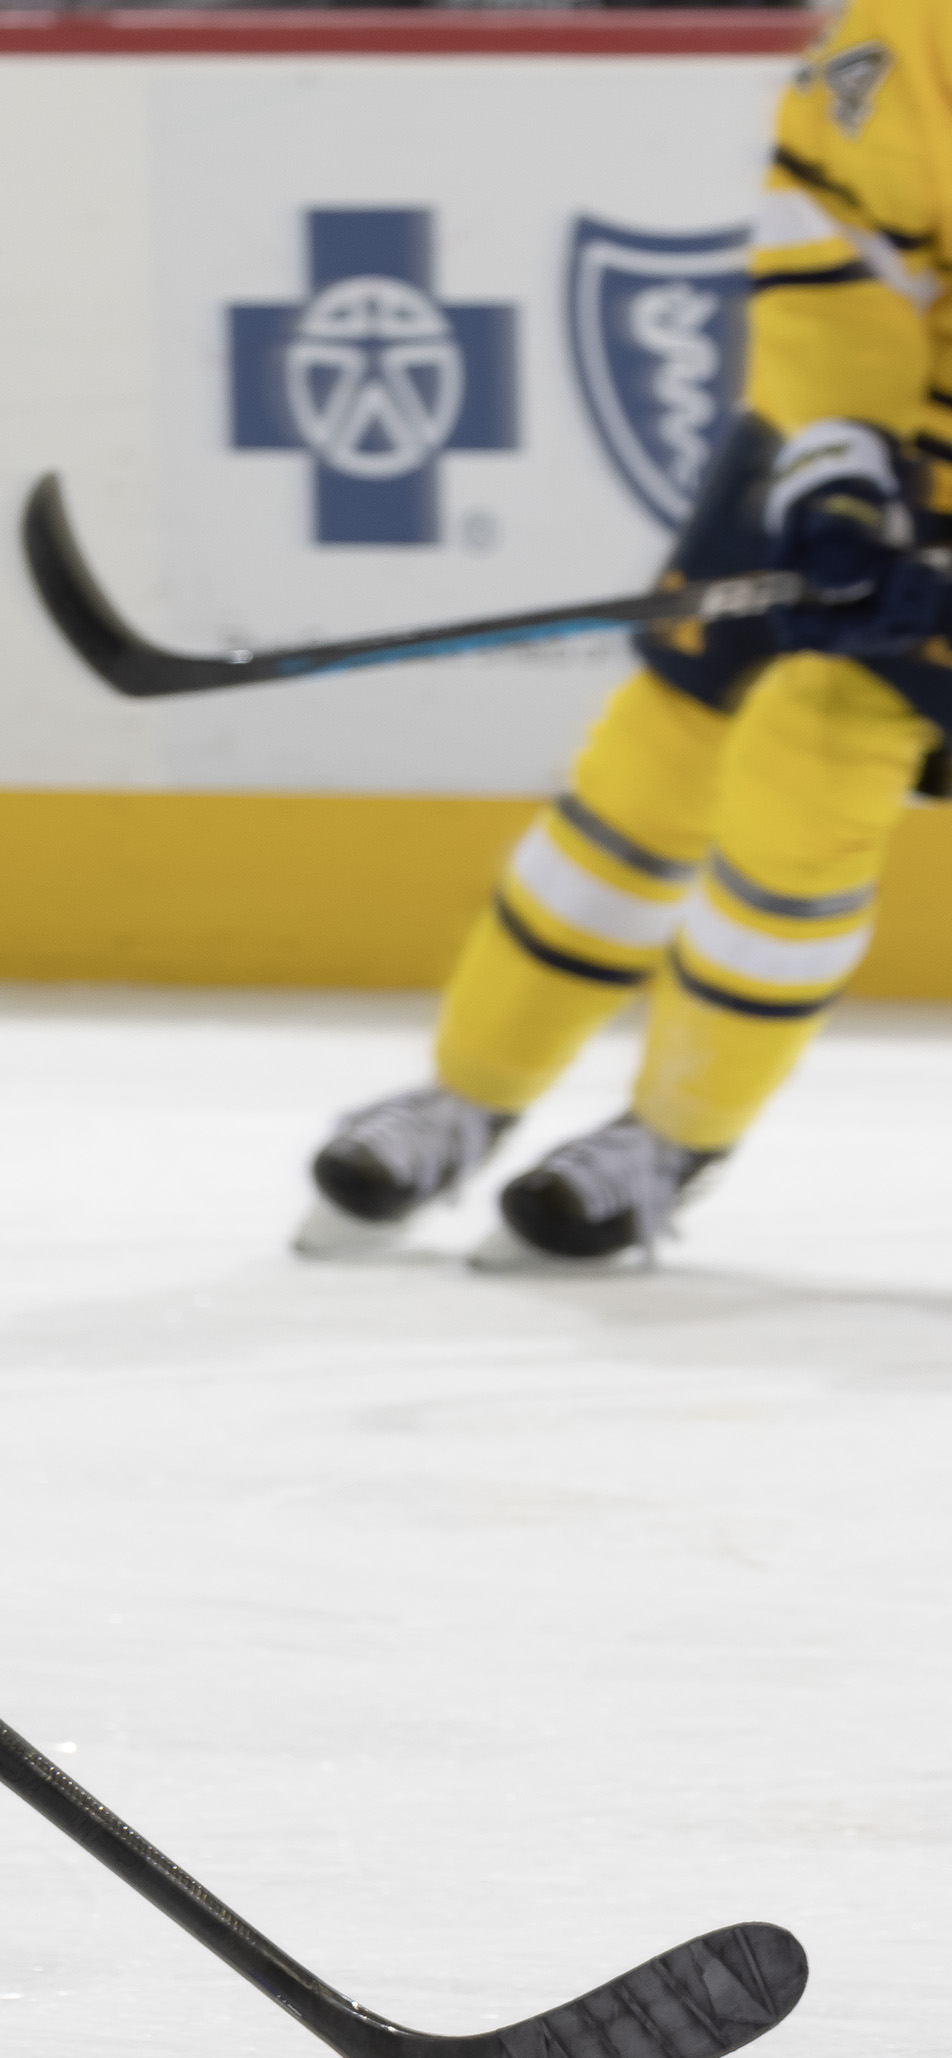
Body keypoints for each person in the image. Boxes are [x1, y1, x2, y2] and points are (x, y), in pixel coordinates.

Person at [299, 0, 952, 1268]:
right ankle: (467, 1090)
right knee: (655, 761)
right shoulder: (917, 21)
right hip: (850, 449)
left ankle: (671, 1135)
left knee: (809, 766)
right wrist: (839, 467)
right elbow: (838, 243)